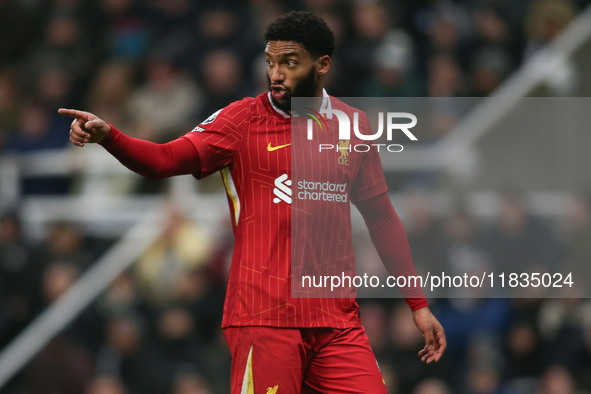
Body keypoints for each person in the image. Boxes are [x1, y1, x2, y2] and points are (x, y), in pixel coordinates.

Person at [60, 11, 446, 394]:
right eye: (270, 61)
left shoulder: (354, 126)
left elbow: (382, 219)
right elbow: (164, 160)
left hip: (336, 321)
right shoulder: (241, 121)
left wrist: (417, 304)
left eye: (289, 63)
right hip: (265, 317)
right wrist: (111, 137)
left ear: (323, 64)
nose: (276, 73)